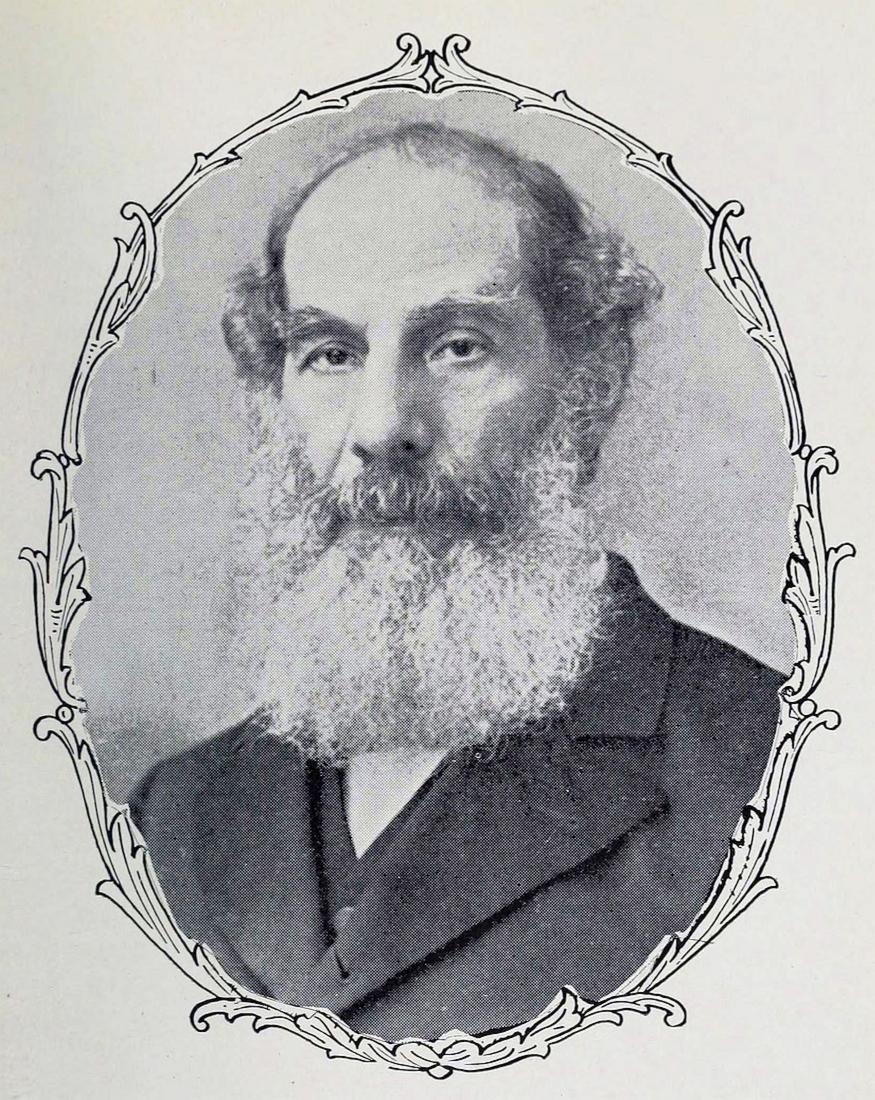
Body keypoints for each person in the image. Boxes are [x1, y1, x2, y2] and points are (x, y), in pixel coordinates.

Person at [129, 123, 785, 1041]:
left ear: (590, 380)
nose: (382, 427)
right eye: (331, 353)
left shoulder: (773, 773)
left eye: (458, 346)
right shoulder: (177, 811)